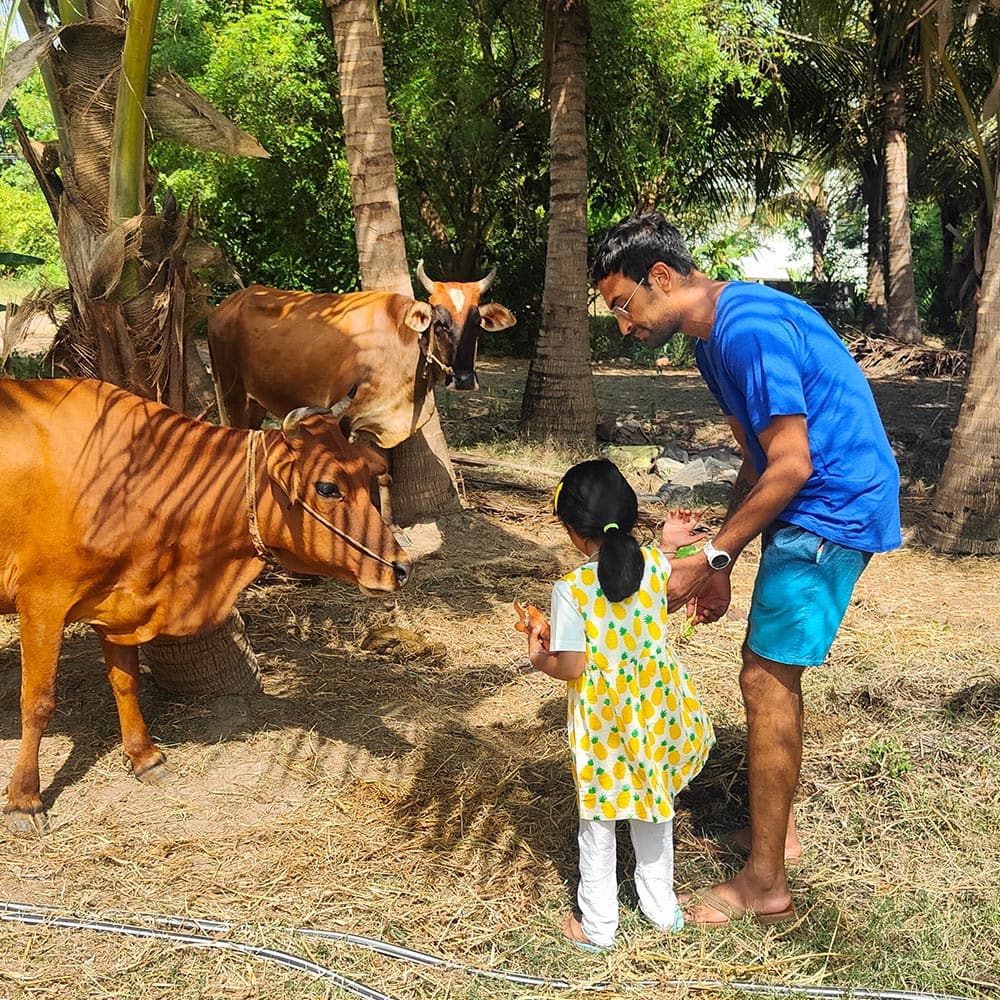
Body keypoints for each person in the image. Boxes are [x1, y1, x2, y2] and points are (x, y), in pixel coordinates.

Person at [591, 212, 902, 928]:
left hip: (833, 502)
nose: (623, 325)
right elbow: (758, 458)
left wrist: (709, 555)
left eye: (622, 305)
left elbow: (794, 465)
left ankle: (767, 880)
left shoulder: (746, 329)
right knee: (765, 669)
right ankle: (777, 830)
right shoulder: (712, 342)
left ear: (660, 278)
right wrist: (725, 564)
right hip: (810, 493)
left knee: (767, 676)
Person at [524, 459, 715, 950]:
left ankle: (599, 926)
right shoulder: (655, 567)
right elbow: (652, 562)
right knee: (655, 807)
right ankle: (662, 911)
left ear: (571, 529)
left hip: (603, 718)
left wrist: (538, 655)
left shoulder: (571, 589)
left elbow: (570, 666)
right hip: (655, 706)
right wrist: (669, 540)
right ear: (629, 517)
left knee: (599, 819)